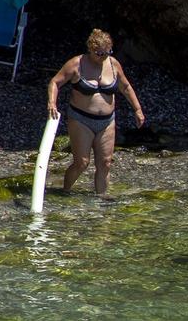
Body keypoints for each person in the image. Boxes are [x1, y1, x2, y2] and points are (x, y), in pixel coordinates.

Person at [47, 29, 146, 196]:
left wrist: (137, 109)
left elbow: (126, 87)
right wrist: (52, 103)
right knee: (82, 163)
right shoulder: (76, 64)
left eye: (108, 53)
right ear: (90, 49)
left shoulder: (113, 64)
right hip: (81, 119)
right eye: (100, 53)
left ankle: (101, 202)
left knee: (106, 163)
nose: (104, 57)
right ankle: (64, 192)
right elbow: (55, 83)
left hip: (107, 121)